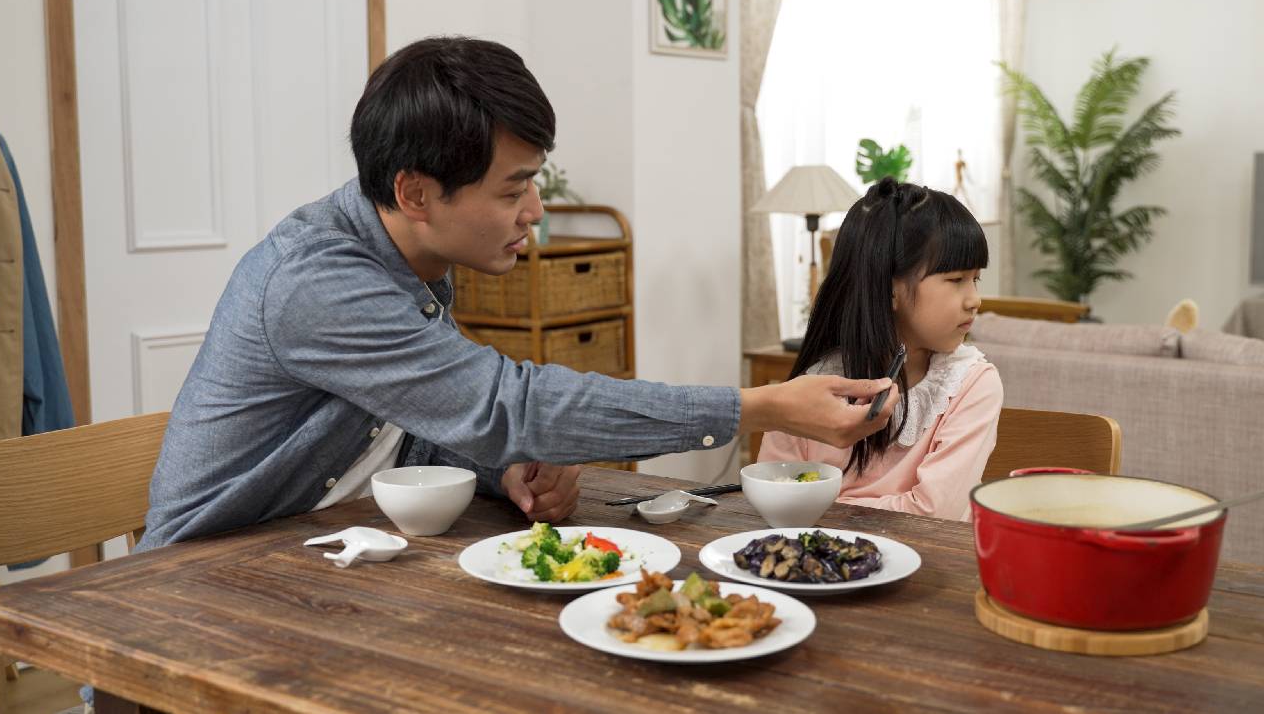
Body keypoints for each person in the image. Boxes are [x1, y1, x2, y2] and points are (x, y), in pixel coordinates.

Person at [139, 36, 900, 550]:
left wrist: (502, 469)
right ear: (416, 191)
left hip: (318, 550)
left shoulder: (417, 256)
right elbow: (512, 405)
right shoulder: (316, 282)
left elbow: (419, 418)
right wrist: (757, 405)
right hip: (192, 586)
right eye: (514, 189)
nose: (534, 211)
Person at [758, 180, 1002, 521]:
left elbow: (934, 513)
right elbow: (772, 494)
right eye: (956, 279)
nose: (975, 299)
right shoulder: (813, 383)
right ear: (890, 290)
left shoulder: (970, 384)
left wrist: (822, 511)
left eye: (976, 279)